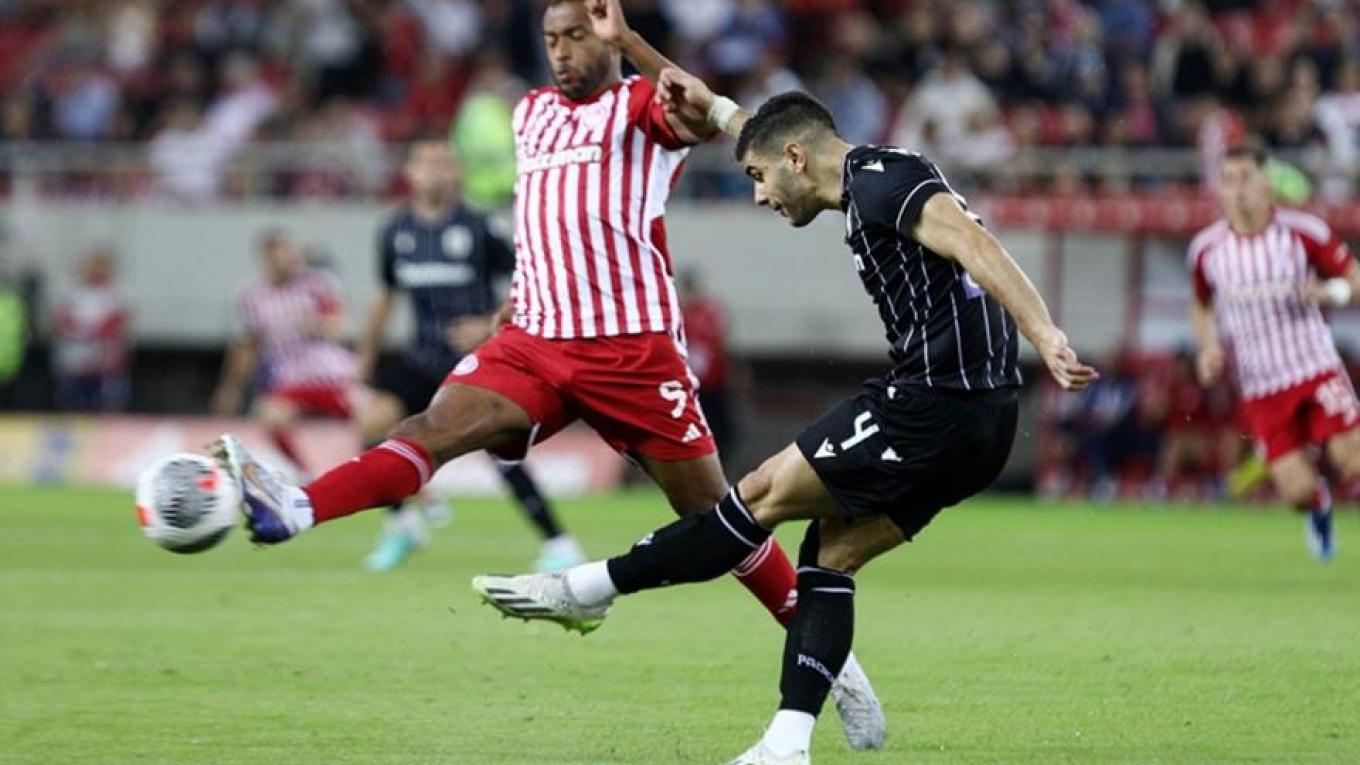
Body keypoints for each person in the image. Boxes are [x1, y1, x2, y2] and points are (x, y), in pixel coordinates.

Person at [210, 0, 886, 749]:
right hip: (533, 337)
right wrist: (512, 301)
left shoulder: (637, 105)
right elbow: (543, 222)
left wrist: (630, 41)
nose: (562, 51)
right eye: (552, 38)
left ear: (604, 38)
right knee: (428, 428)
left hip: (630, 351)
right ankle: (295, 507)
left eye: (577, 36)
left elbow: (704, 116)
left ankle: (834, 664)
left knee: (718, 520)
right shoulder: (529, 113)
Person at [470, 17, 1095, 765]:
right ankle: (787, 743)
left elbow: (975, 243)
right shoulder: (848, 170)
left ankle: (587, 587)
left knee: (755, 498)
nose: (762, 195)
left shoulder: (882, 178)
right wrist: (635, 48)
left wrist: (1043, 331)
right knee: (829, 555)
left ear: (796, 159)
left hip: (935, 401)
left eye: (760, 178)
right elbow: (746, 123)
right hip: (985, 422)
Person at [357, 138, 584, 573]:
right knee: (373, 422)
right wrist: (366, 355)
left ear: (456, 173)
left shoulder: (481, 227)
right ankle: (403, 525)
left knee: (501, 450)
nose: (434, 171)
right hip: (422, 358)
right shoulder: (394, 231)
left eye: (443, 163)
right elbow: (385, 294)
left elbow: (531, 278)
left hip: (475, 362)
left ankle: (559, 544)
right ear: (409, 173)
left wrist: (486, 323)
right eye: (425, 162)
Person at [1187, 142, 1360, 562]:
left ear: (1266, 183)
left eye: (1246, 178)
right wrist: (1208, 347)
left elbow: (1354, 276)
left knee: (1353, 461)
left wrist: (1330, 292)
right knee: (1296, 492)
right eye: (1229, 181)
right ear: (1220, 190)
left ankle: (1326, 450)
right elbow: (1202, 304)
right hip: (1262, 387)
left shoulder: (1304, 233)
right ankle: (1319, 503)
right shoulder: (1207, 250)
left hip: (1316, 368)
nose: (1239, 189)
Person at [212, 229, 360, 475]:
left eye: (289, 251)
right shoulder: (251, 296)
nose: (286, 259)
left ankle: (368, 470)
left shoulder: (318, 284)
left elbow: (343, 327)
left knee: (372, 417)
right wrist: (231, 389)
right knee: (268, 414)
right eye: (277, 254)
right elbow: (247, 346)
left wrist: (317, 324)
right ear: (265, 259)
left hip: (332, 373)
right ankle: (305, 473)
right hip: (289, 378)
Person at [51, 246, 131, 411]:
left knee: (105, 403)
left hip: (104, 361)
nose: (92, 269)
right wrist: (78, 331)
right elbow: (62, 320)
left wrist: (92, 332)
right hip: (74, 360)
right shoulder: (73, 293)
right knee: (72, 402)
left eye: (98, 265)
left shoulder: (114, 294)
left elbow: (118, 322)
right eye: (89, 265)